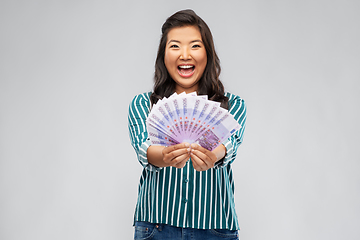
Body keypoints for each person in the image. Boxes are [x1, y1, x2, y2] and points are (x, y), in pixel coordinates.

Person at [128, 9, 247, 240]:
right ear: (163, 55)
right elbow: (144, 149)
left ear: (208, 54)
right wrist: (166, 155)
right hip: (157, 226)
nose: (185, 55)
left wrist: (214, 155)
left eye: (195, 45)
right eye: (175, 46)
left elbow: (228, 144)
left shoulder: (232, 106)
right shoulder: (143, 104)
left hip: (215, 228)